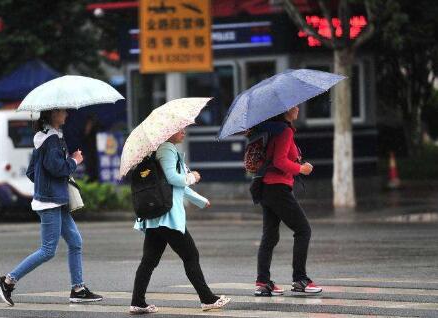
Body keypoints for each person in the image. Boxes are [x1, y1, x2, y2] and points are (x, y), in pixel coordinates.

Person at [0, 109, 102, 306]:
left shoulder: (47, 137)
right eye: (62, 112)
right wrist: (74, 161)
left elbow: (32, 171)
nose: (66, 114)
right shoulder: (51, 139)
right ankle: (8, 281)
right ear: (52, 115)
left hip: (54, 198)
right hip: (50, 201)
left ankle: (78, 289)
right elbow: (57, 168)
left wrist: (46, 185)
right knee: (48, 250)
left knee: (75, 241)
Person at [129, 129, 231, 315]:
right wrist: (192, 177)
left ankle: (137, 302)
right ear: (168, 132)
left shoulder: (160, 151)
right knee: (191, 255)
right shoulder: (167, 149)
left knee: (149, 260)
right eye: (180, 129)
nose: (184, 132)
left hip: (155, 217)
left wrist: (200, 200)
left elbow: (173, 186)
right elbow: (174, 179)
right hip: (167, 217)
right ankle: (207, 299)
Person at [254, 106, 323, 297]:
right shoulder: (283, 131)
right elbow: (280, 161)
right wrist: (301, 169)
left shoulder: (274, 129)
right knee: (303, 230)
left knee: (270, 236)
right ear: (285, 110)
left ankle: (263, 282)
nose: (298, 108)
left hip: (267, 187)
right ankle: (300, 279)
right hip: (277, 188)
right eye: (294, 106)